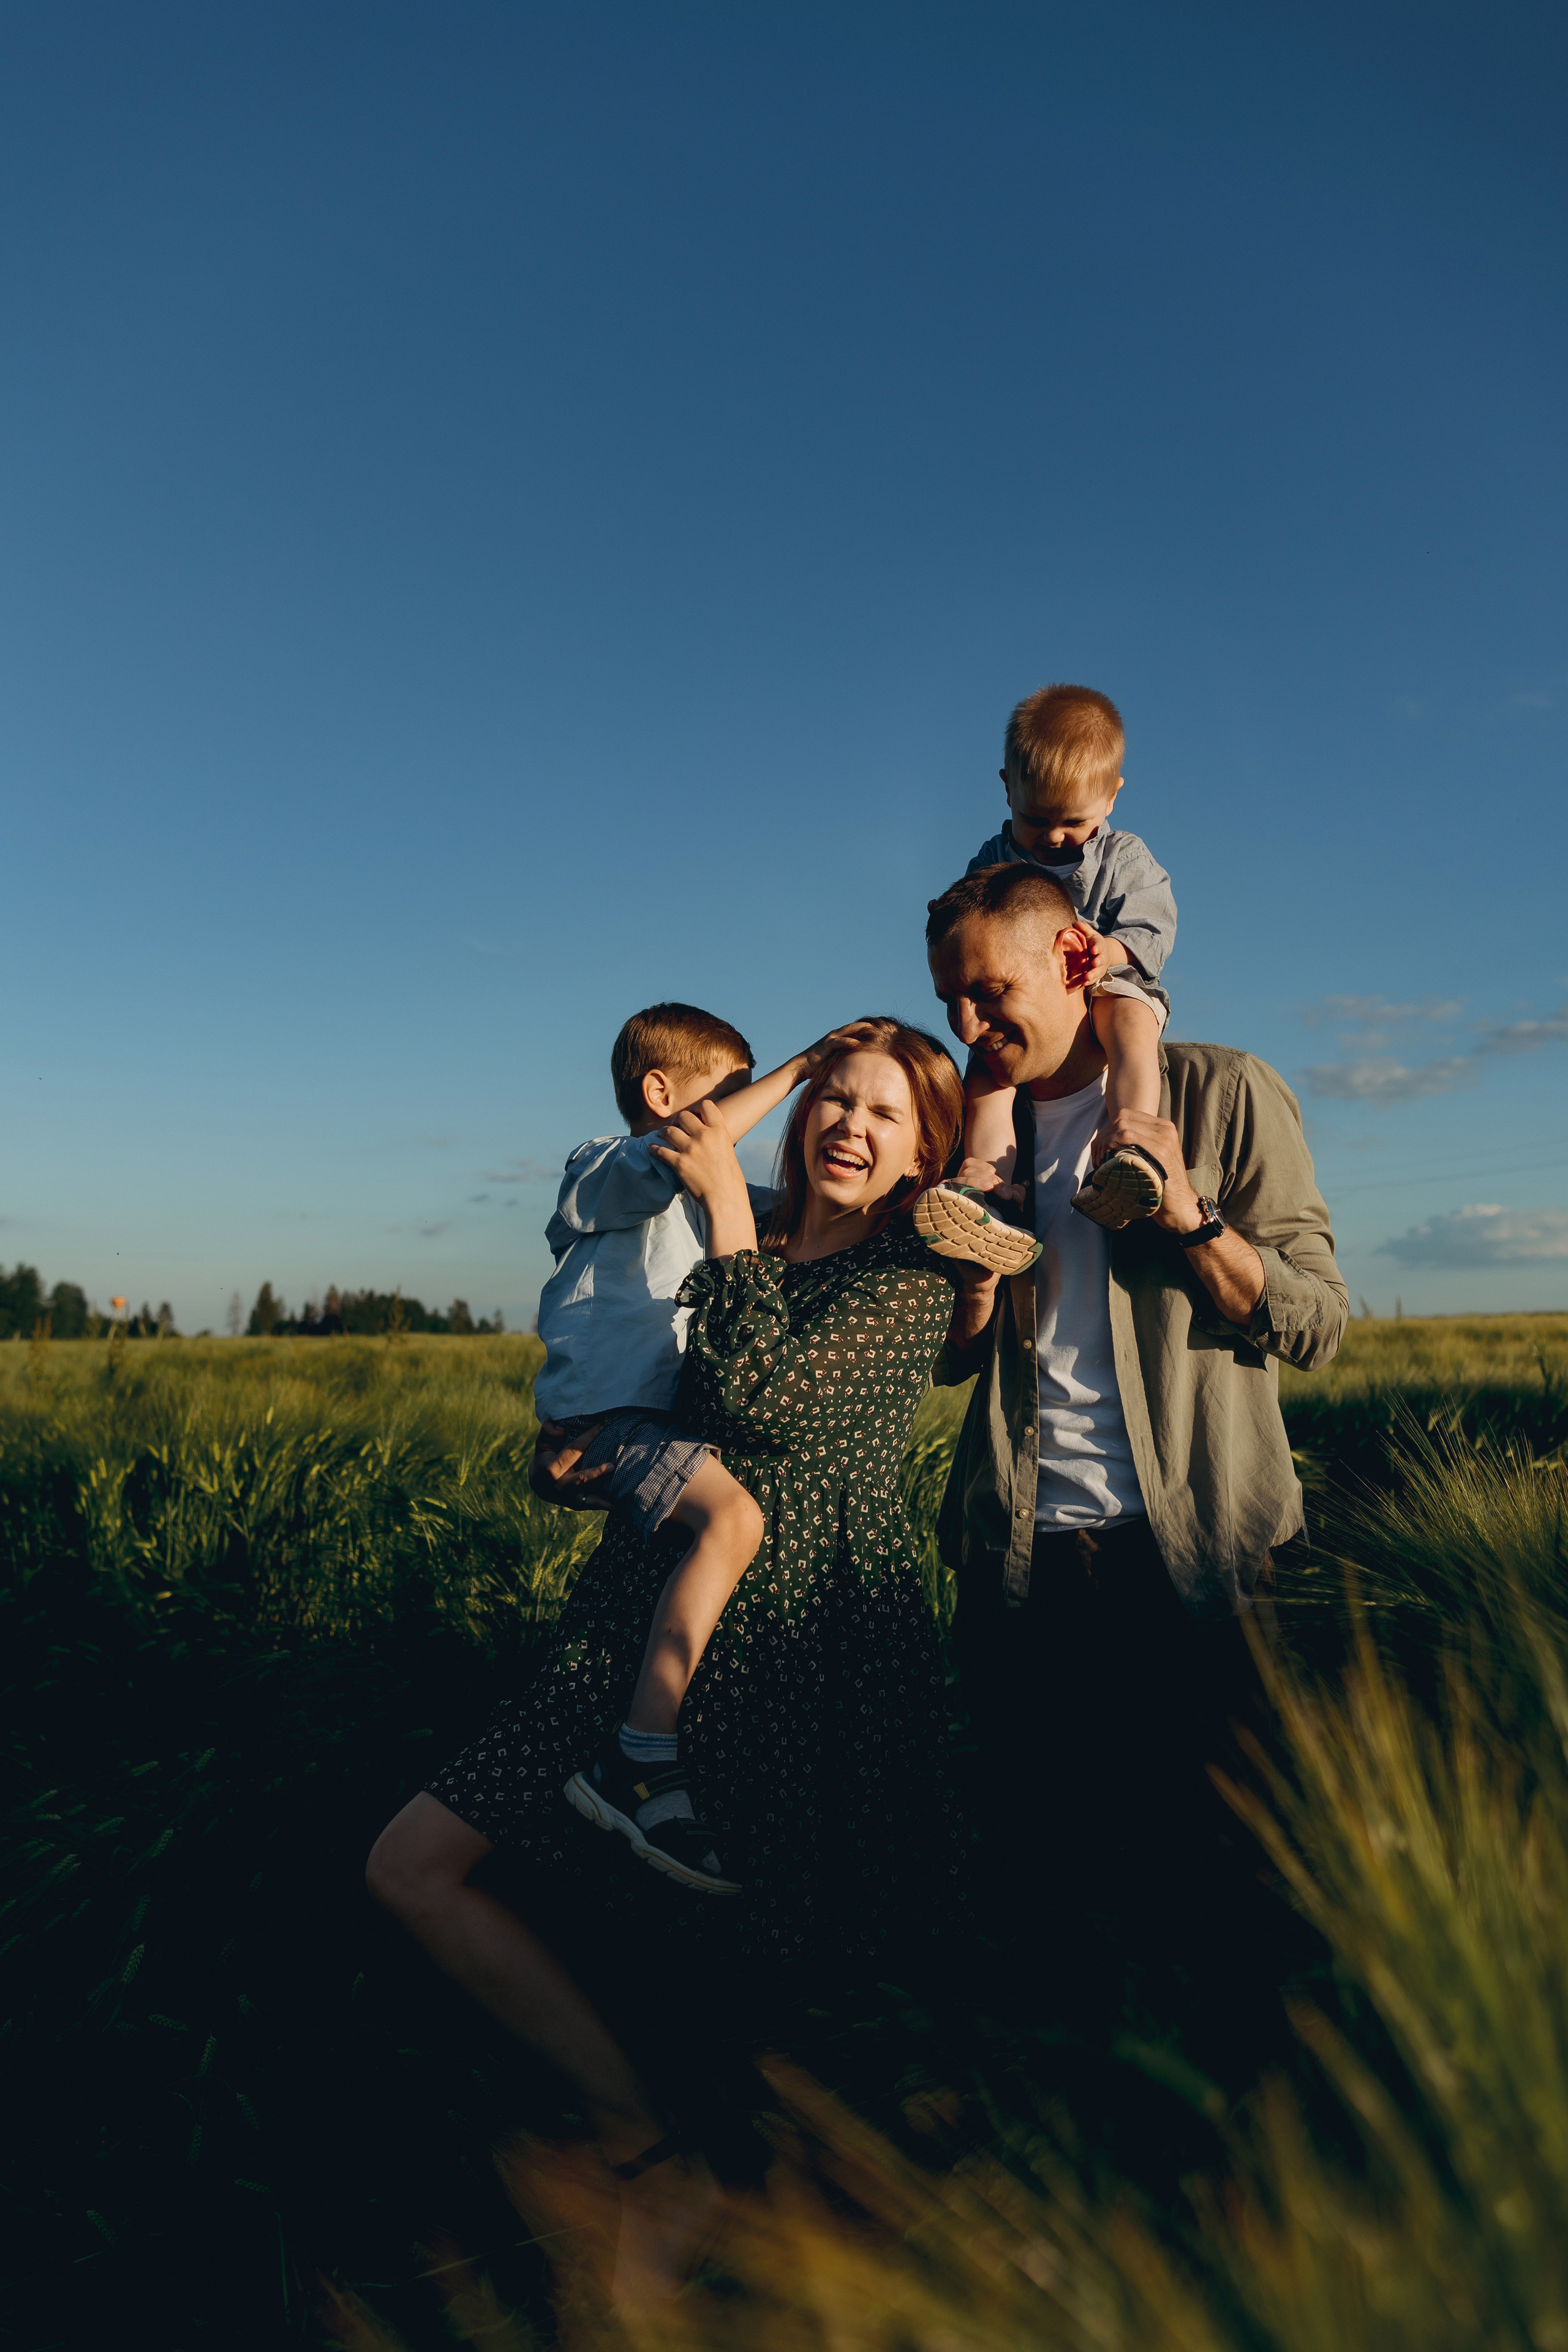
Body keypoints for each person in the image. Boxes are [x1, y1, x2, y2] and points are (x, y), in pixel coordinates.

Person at [365, 1019, 979, 2300]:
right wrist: (578, 1459)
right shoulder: (724, 1234)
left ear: (924, 1150)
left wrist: (719, 1204)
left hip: (795, 1659)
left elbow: (761, 1401)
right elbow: (651, 1414)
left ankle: (758, 2249)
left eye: (883, 1113)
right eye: (831, 1097)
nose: (848, 1126)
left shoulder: (908, 1276)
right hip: (638, 1630)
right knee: (413, 1866)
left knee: (746, 1983)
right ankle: (643, 2147)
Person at [923, 862, 1348, 1953]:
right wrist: (971, 1280)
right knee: (1047, 1891)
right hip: (1019, 1570)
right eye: (949, 1002)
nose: (967, 1024)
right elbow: (949, 1365)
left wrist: (1194, 1222)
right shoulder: (972, 1132)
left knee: (1218, 1891)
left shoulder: (1222, 1092)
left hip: (1204, 1560)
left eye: (987, 994)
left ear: (1075, 960)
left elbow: (1318, 1324)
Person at [530, 999, 875, 1896]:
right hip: (606, 1420)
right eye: (729, 1094)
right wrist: (801, 1068)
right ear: (661, 1093)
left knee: (715, 1526)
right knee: (733, 1519)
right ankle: (642, 1753)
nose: (744, 1114)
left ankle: (649, 1739)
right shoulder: (600, 1170)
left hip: (649, 1426)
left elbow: (799, 1218)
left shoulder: (700, 1199)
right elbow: (697, 1149)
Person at [918, 684, 1178, 1272]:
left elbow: (1153, 929)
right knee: (989, 1073)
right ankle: (986, 1189)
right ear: (1007, 788)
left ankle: (1130, 1146)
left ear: (1112, 797)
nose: (1055, 837)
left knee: (1130, 1021)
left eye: (1074, 821)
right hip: (1032, 1015)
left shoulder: (1125, 858)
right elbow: (968, 921)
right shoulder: (994, 856)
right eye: (1037, 820)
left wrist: (1108, 951)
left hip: (1112, 980)